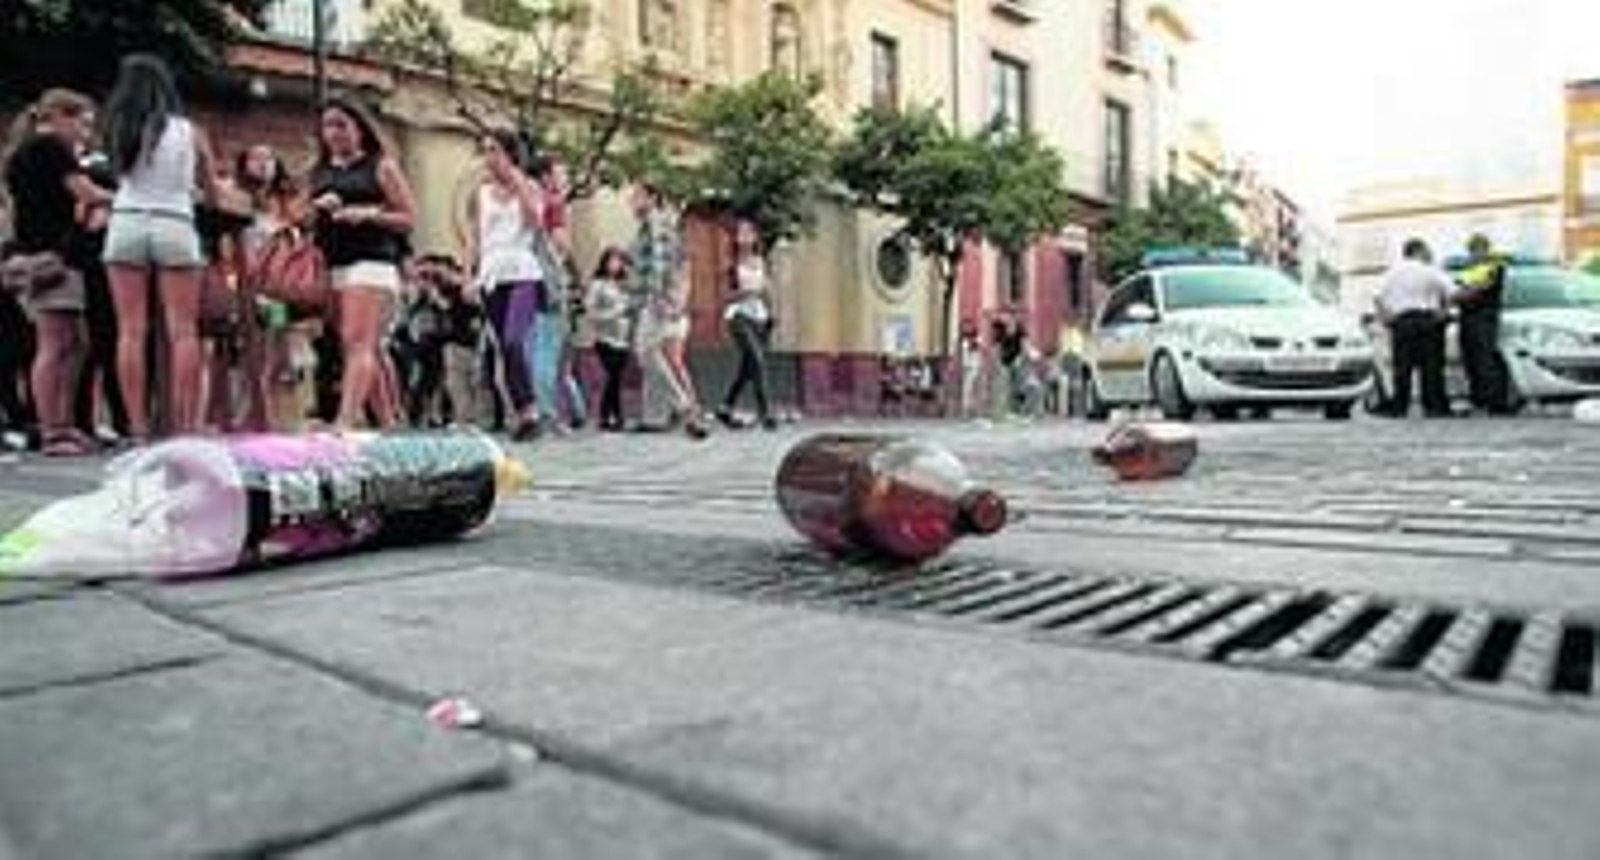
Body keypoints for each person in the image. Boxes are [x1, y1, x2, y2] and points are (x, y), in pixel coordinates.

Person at [100, 54, 221, 439]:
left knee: (130, 331)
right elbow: (212, 191)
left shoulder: (117, 127)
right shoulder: (189, 131)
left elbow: (119, 176)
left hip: (126, 220)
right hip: (175, 222)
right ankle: (184, 424)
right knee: (182, 331)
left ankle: (136, 425)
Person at [2, 88, 113, 455]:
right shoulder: (52, 149)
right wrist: (126, 197)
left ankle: (63, 425)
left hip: (37, 253)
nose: (85, 134)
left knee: (75, 342)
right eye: (83, 124)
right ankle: (53, 431)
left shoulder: (21, 154)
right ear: (60, 117)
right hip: (51, 257)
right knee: (54, 343)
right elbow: (85, 192)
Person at [310, 96, 417, 430]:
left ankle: (344, 421)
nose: (334, 133)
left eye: (342, 124)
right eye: (328, 125)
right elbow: (299, 217)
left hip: (372, 262)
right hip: (332, 266)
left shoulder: (380, 165)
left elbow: (409, 218)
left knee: (357, 343)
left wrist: (368, 213)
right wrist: (317, 207)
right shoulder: (319, 171)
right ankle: (389, 424)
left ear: (359, 127)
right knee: (361, 347)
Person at [465, 129, 547, 441]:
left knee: (514, 341)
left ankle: (530, 411)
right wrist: (467, 275)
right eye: (485, 150)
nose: (489, 157)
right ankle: (524, 415)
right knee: (504, 347)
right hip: (491, 273)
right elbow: (474, 238)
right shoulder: (481, 193)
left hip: (523, 271)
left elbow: (535, 223)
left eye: (495, 150)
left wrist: (517, 181)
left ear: (511, 154)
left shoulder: (529, 186)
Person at [629, 181, 708, 438]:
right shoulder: (650, 224)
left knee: (647, 353)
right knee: (650, 354)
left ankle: (684, 408)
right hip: (651, 301)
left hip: (656, 302)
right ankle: (682, 409)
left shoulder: (655, 222)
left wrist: (657, 298)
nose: (631, 200)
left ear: (652, 198)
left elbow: (659, 263)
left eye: (637, 195)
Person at [528, 154, 587, 432]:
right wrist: (573, 267)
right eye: (561, 173)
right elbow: (561, 243)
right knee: (547, 351)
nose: (565, 179)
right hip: (547, 281)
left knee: (530, 348)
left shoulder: (521, 198)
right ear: (546, 177)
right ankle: (549, 415)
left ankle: (530, 412)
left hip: (518, 281)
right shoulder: (552, 204)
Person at [1374, 238, 1455, 418]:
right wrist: (1444, 311)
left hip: (1402, 322)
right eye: (1427, 250)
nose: (1430, 253)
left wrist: (1386, 317)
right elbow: (1452, 291)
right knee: (1431, 367)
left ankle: (1399, 407)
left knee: (1402, 367)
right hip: (1426, 321)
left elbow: (1377, 297)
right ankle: (1433, 407)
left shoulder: (1391, 272)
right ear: (1418, 251)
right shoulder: (1430, 270)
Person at [715, 220, 776, 430]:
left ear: (755, 237)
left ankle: (726, 406)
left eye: (749, 232)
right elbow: (724, 296)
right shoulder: (731, 264)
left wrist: (772, 315)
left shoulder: (762, 261)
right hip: (738, 315)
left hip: (760, 316)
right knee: (757, 360)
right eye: (740, 232)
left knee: (748, 366)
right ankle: (766, 412)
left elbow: (767, 291)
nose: (744, 236)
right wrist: (746, 293)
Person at [1454, 233, 1512, 415]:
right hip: (1466, 318)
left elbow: (1481, 288)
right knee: (1470, 360)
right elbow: (1458, 290)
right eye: (1472, 249)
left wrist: (1463, 293)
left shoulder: (1495, 267)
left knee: (1485, 360)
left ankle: (1496, 404)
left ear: (1486, 249)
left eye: (1478, 249)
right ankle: (1478, 399)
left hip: (1484, 317)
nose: (1475, 253)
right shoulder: (1467, 270)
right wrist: (1460, 294)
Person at [585, 246, 633, 432]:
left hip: (623, 338)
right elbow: (591, 312)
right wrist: (614, 313)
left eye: (618, 260)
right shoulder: (598, 284)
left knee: (616, 378)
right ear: (604, 262)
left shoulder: (625, 284)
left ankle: (610, 416)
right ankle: (612, 416)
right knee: (611, 377)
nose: (615, 264)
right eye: (611, 260)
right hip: (604, 337)